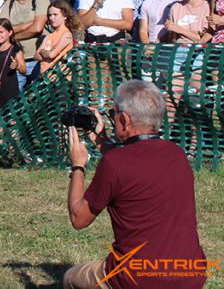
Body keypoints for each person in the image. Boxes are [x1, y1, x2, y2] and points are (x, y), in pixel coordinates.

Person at [65, 80, 206, 288]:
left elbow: (79, 218)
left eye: (114, 115)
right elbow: (136, 164)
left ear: (124, 119)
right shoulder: (177, 154)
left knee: (70, 278)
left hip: (138, 277)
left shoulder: (115, 164)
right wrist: (101, 140)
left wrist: (78, 166)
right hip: (190, 273)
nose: (112, 119)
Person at [0, 0, 49, 92]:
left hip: (38, 59)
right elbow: (1, 30)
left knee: (39, 101)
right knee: (15, 102)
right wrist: (28, 25)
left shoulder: (41, 0)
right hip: (16, 62)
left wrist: (13, 36)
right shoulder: (8, 5)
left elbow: (37, 28)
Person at [35, 0, 80, 76]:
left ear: (65, 16)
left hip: (60, 79)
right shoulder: (49, 36)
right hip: (46, 77)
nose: (52, 18)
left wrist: (42, 51)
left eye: (55, 14)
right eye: (50, 15)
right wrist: (47, 55)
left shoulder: (66, 35)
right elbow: (36, 56)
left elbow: (52, 55)